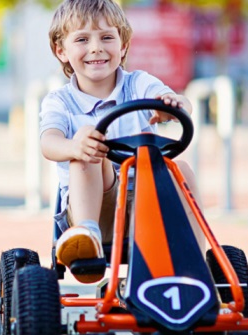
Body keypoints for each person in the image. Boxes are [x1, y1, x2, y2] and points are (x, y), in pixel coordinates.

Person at [40, 0, 201, 283]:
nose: (96, 48)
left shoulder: (138, 84)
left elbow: (177, 101)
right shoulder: (60, 101)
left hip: (146, 202)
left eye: (106, 38)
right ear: (61, 50)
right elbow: (49, 142)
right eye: (82, 39)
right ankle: (87, 237)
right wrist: (75, 146)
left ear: (123, 46)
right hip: (95, 206)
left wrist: (173, 105)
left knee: (181, 169)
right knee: (87, 148)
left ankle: (195, 258)